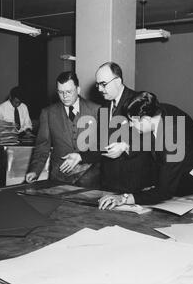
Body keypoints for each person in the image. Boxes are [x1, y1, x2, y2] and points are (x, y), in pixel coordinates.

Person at [98, 91, 193, 210]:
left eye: (132, 121)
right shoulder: (157, 110)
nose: (130, 125)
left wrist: (124, 198)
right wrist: (125, 146)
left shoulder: (173, 138)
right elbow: (148, 134)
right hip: (176, 171)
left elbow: (164, 191)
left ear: (146, 120)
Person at [63, 62, 156, 193]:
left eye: (103, 84)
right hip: (109, 181)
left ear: (118, 81)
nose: (100, 89)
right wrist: (80, 157)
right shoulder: (104, 109)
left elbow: (151, 137)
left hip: (135, 181)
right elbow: (102, 145)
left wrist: (125, 146)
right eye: (98, 84)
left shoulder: (139, 101)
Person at [25, 71, 100, 185]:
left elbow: (102, 147)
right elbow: (42, 146)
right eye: (61, 92)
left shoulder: (97, 110)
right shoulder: (48, 113)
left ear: (78, 90)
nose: (65, 96)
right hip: (59, 176)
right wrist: (34, 171)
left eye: (69, 92)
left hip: (90, 176)